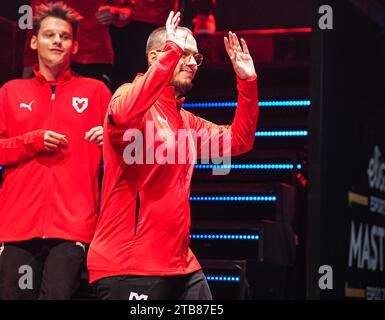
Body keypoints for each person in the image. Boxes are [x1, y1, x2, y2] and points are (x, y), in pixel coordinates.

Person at [87, 11, 259, 300]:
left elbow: (238, 142)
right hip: (129, 265)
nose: (192, 62)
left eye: (196, 57)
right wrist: (172, 51)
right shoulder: (127, 97)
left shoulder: (186, 121)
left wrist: (248, 83)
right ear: (157, 56)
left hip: (180, 265)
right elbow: (129, 108)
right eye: (183, 53)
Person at [0, 2, 111, 299]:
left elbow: (128, 146)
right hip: (17, 227)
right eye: (49, 35)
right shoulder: (10, 92)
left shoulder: (97, 92)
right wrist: (32, 140)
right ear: (35, 41)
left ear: (75, 46)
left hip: (72, 227)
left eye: (64, 36)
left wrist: (114, 139)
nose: (57, 41)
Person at [23, 0, 134, 89]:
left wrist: (116, 13)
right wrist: (29, 63)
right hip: (53, 57)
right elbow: (35, 20)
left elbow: (128, 9)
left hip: (93, 58)